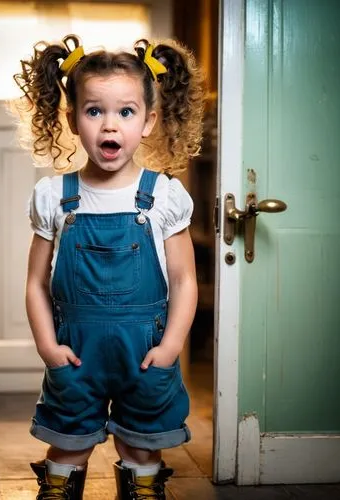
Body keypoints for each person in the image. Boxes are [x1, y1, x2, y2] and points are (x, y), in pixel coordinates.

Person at [13, 33, 204, 500]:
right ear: (73, 120)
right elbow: (36, 284)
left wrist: (172, 346)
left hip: (146, 355)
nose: (109, 126)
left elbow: (184, 281)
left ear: (149, 120)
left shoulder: (163, 196)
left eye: (126, 111)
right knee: (66, 450)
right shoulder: (55, 196)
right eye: (94, 110)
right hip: (75, 355)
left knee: (142, 454)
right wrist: (47, 346)